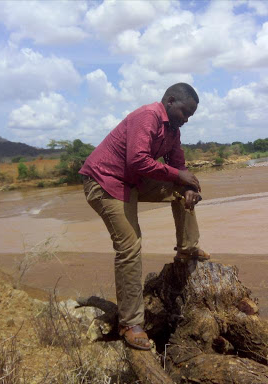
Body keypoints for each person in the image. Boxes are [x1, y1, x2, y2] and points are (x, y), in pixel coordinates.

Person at [79, 83, 210, 350]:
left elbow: (178, 164)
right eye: (185, 112)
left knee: (184, 188)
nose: (186, 120)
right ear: (170, 101)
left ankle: (188, 248)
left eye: (190, 117)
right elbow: (137, 160)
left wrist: (187, 185)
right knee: (129, 246)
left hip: (133, 181)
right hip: (104, 182)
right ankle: (130, 323)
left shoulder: (173, 130)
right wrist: (178, 176)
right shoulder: (148, 116)